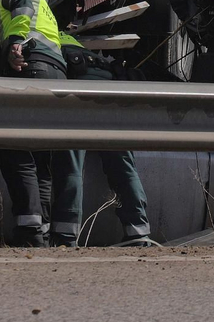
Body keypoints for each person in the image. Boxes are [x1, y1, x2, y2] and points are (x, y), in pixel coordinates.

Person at [0, 0, 79, 247]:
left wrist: (16, 41)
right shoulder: (50, 17)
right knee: (42, 160)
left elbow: (20, 5)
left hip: (30, 66)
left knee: (15, 150)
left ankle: (29, 231)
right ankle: (38, 233)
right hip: (55, 76)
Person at [58, 35, 161, 247]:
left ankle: (65, 236)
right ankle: (138, 231)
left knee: (72, 163)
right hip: (108, 89)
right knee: (122, 163)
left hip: (77, 88)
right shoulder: (76, 41)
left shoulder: (47, 40)